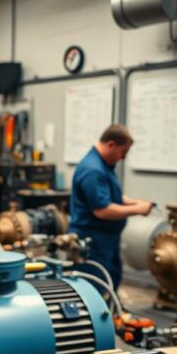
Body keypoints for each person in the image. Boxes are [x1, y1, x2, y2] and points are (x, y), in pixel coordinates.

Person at [68, 124, 153, 292]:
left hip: (105, 240)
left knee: (110, 282)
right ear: (111, 145)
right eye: (123, 152)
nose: (123, 158)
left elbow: (111, 196)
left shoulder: (103, 166)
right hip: (93, 242)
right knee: (96, 288)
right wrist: (138, 210)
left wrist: (135, 203)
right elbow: (102, 210)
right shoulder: (93, 169)